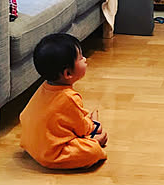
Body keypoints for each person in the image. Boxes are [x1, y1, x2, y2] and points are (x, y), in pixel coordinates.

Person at [20, 33, 108, 169]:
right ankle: (93, 138)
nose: (85, 59)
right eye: (80, 58)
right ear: (68, 74)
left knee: (78, 118)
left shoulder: (44, 87)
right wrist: (93, 127)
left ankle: (91, 125)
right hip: (52, 153)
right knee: (93, 151)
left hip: (30, 143)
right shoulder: (69, 98)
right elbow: (81, 129)